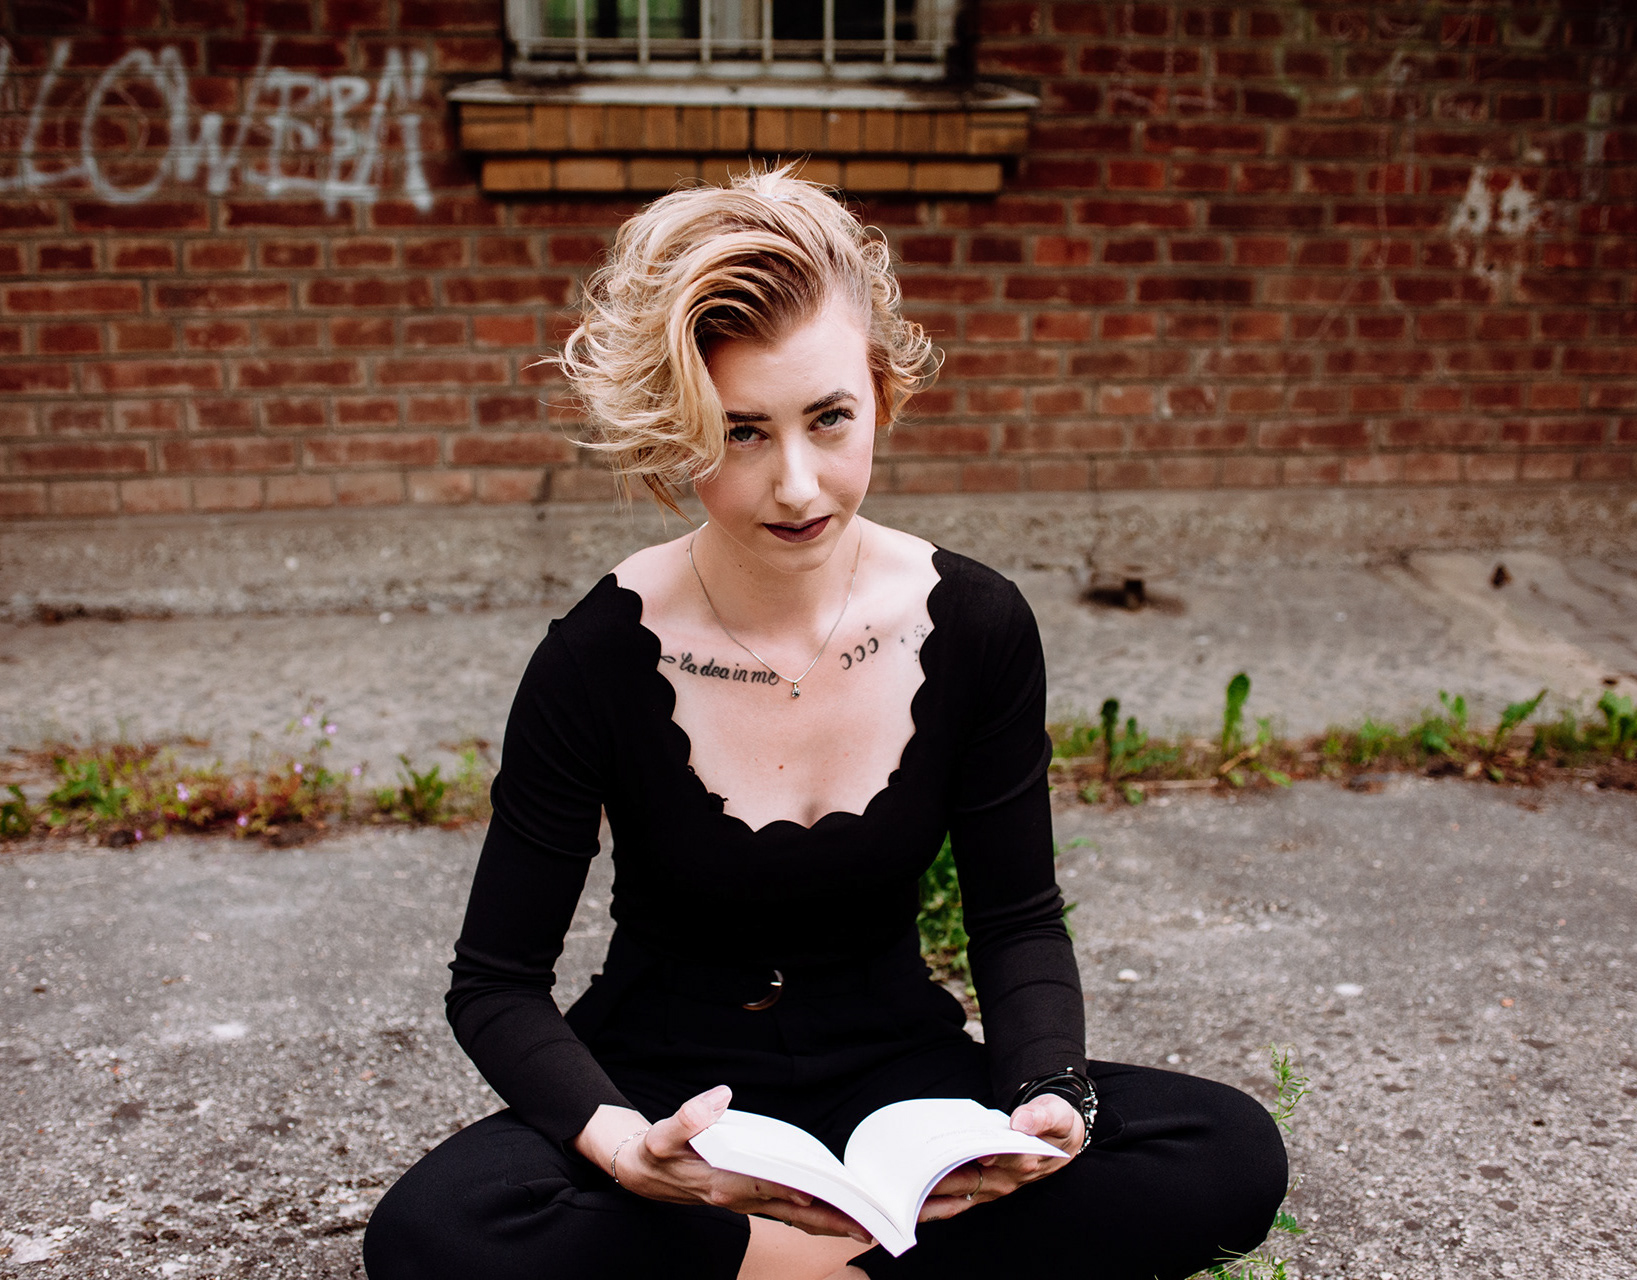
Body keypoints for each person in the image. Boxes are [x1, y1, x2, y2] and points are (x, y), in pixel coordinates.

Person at [362, 169, 1287, 1280]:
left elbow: (1016, 920)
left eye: (829, 419)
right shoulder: (595, 655)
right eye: (741, 432)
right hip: (671, 1094)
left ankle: (768, 1265)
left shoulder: (975, 623)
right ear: (676, 431)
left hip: (902, 1080)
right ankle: (839, 1264)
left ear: (881, 393)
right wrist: (628, 1153)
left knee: (1225, 1151)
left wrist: (1048, 1095)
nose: (796, 485)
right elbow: (496, 982)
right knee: (435, 1235)